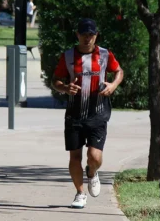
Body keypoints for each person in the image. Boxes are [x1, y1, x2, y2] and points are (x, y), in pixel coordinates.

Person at [52, 18, 124, 209]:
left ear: (96, 35)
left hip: (98, 113)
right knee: (74, 157)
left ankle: (92, 172)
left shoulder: (104, 55)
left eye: (90, 35)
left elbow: (119, 71)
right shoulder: (68, 56)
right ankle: (80, 193)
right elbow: (56, 81)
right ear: (77, 35)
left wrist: (113, 85)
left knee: (95, 156)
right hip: (74, 114)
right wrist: (65, 88)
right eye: (83, 34)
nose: (87, 38)